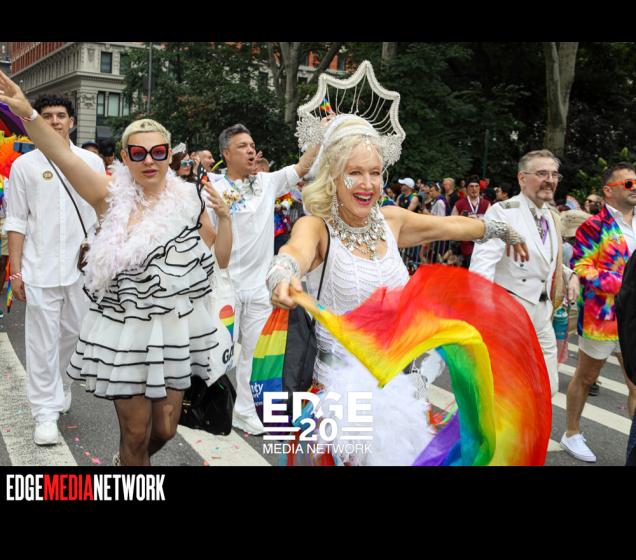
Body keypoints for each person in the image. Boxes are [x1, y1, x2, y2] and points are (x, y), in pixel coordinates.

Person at [0, 70, 232, 465]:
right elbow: (61, 154)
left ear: (169, 155)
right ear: (125, 158)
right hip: (125, 332)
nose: (149, 160)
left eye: (158, 152)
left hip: (175, 331)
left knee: (165, 429)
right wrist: (28, 115)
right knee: (136, 432)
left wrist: (225, 219)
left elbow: (220, 259)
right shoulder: (108, 197)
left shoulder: (191, 201)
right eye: (137, 153)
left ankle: (125, 463)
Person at [267, 114, 528, 465]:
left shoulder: (391, 220)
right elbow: (293, 252)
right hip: (340, 395)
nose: (367, 184)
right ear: (333, 175)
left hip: (398, 390)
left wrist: (500, 230)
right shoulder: (316, 227)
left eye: (375, 173)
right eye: (355, 172)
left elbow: (451, 226)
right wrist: (282, 274)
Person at [3, 93, 105, 446]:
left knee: (77, 334)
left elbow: (103, 213)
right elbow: (16, 221)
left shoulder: (91, 163)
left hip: (83, 270)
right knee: (41, 341)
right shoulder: (24, 167)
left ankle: (61, 380)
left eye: (61, 115)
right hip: (39, 268)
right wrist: (16, 272)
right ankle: (44, 412)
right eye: (47, 116)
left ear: (72, 122)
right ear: (36, 121)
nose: (55, 121)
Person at [208, 123, 321, 435]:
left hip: (259, 288)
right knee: (219, 353)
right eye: (242, 146)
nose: (250, 151)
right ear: (226, 153)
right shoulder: (213, 188)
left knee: (254, 353)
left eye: (252, 145)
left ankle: (245, 411)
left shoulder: (267, 182)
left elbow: (302, 166)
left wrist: (320, 135)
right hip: (225, 287)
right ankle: (208, 407)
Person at [470, 149, 580, 398]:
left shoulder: (552, 216)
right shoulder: (503, 211)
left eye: (554, 174)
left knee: (548, 387)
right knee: (504, 389)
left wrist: (569, 274)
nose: (550, 180)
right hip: (509, 312)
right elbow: (483, 263)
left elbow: (545, 259)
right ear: (522, 178)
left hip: (543, 312)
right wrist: (483, 311)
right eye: (542, 173)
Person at [560, 163, 636, 462]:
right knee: (586, 377)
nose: (635, 188)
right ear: (609, 190)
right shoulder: (595, 225)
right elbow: (582, 266)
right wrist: (625, 286)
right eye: (629, 183)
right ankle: (571, 432)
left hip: (633, 318)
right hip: (602, 317)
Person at [452, 176, 490, 268]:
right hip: (465, 246)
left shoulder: (486, 204)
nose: (474, 189)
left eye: (476, 186)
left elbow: (491, 224)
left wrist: (479, 220)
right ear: (467, 188)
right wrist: (463, 220)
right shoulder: (459, 204)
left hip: (481, 246)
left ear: (479, 188)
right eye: (471, 186)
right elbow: (452, 223)